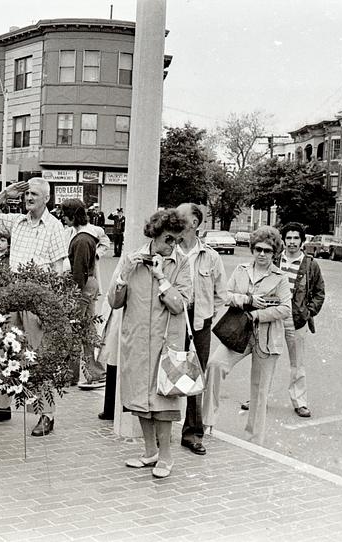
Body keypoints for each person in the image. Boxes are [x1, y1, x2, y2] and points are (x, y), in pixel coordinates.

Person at [0, 178, 67, 436]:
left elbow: (60, 269)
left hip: (37, 301)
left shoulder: (55, 227)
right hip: (12, 297)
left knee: (37, 357)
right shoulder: (17, 221)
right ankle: (2, 406)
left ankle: (46, 415)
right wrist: (5, 193)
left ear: (46, 198)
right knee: (4, 353)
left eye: (35, 194)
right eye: (27, 194)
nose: (29, 198)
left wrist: (51, 308)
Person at [109, 209, 191, 479]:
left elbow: (180, 305)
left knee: (163, 403)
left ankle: (166, 456)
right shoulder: (131, 258)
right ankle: (149, 452)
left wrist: (161, 278)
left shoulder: (181, 263)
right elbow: (114, 302)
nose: (173, 246)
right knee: (141, 401)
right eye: (169, 239)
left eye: (178, 241)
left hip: (165, 343)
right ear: (155, 235)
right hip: (136, 341)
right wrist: (124, 274)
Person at [202, 226, 292, 446]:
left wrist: (257, 315)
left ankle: (254, 440)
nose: (262, 254)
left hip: (266, 339)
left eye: (268, 251)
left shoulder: (280, 278)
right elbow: (226, 295)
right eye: (258, 249)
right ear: (252, 249)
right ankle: (207, 420)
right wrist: (247, 300)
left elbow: (285, 309)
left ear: (275, 253)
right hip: (237, 332)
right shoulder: (241, 270)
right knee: (215, 365)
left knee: (259, 390)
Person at [242, 222, 325, 418]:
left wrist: (307, 312)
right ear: (283, 240)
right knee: (265, 359)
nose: (292, 242)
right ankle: (258, 398)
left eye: (296, 238)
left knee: (298, 363)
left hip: (296, 322)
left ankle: (300, 402)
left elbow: (320, 293)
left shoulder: (310, 265)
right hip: (272, 318)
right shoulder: (274, 260)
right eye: (289, 238)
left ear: (302, 241)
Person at [174, 203, 227, 456]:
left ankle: (192, 434)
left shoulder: (210, 256)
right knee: (168, 369)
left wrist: (207, 315)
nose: (176, 220)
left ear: (194, 222)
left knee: (196, 377)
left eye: (181, 217)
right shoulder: (168, 250)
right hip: (173, 320)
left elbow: (221, 294)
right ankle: (160, 427)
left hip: (199, 321)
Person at [59, 199, 100, 387]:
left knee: (74, 329)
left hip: (82, 287)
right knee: (87, 330)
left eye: (64, 214)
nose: (62, 218)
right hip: (89, 284)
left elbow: (79, 271)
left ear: (73, 215)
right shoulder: (86, 236)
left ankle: (71, 374)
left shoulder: (82, 239)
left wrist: (72, 293)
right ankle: (94, 372)